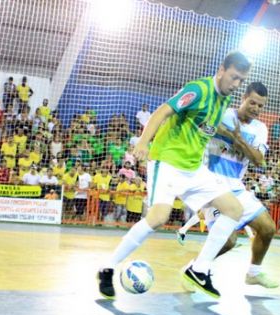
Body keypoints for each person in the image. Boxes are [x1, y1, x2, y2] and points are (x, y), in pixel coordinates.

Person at [97, 51, 251, 299]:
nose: (235, 85)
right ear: (221, 69)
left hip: (193, 168)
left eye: (240, 81)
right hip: (167, 162)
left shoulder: (223, 101)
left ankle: (199, 269)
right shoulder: (198, 89)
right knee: (158, 218)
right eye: (233, 77)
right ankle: (107, 268)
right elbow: (163, 111)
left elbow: (204, 127)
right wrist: (144, 143)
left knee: (234, 209)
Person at [188, 82, 278, 288]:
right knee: (228, 241)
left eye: (260, 106)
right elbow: (202, 125)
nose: (255, 109)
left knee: (268, 228)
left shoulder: (260, 129)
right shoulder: (224, 114)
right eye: (252, 102)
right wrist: (229, 134)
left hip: (236, 187)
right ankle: (196, 267)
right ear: (243, 98)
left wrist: (239, 140)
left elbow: (258, 160)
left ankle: (254, 273)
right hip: (212, 186)